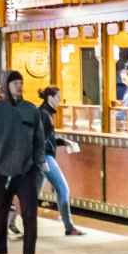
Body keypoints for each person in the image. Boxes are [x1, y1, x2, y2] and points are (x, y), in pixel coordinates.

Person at [0, 70, 48, 254]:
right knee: (0, 214)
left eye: (21, 82)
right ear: (5, 86)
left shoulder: (31, 110)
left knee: (30, 216)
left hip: (27, 171)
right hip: (2, 172)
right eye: (14, 83)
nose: (19, 86)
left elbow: (39, 140)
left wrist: (39, 164)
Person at [37, 86, 85, 237]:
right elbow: (40, 139)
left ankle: (9, 220)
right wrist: (42, 159)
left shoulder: (44, 113)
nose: (59, 100)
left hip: (41, 157)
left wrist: (63, 141)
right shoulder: (45, 115)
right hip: (45, 157)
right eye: (57, 97)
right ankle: (69, 227)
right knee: (62, 188)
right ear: (50, 98)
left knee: (32, 194)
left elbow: (47, 138)